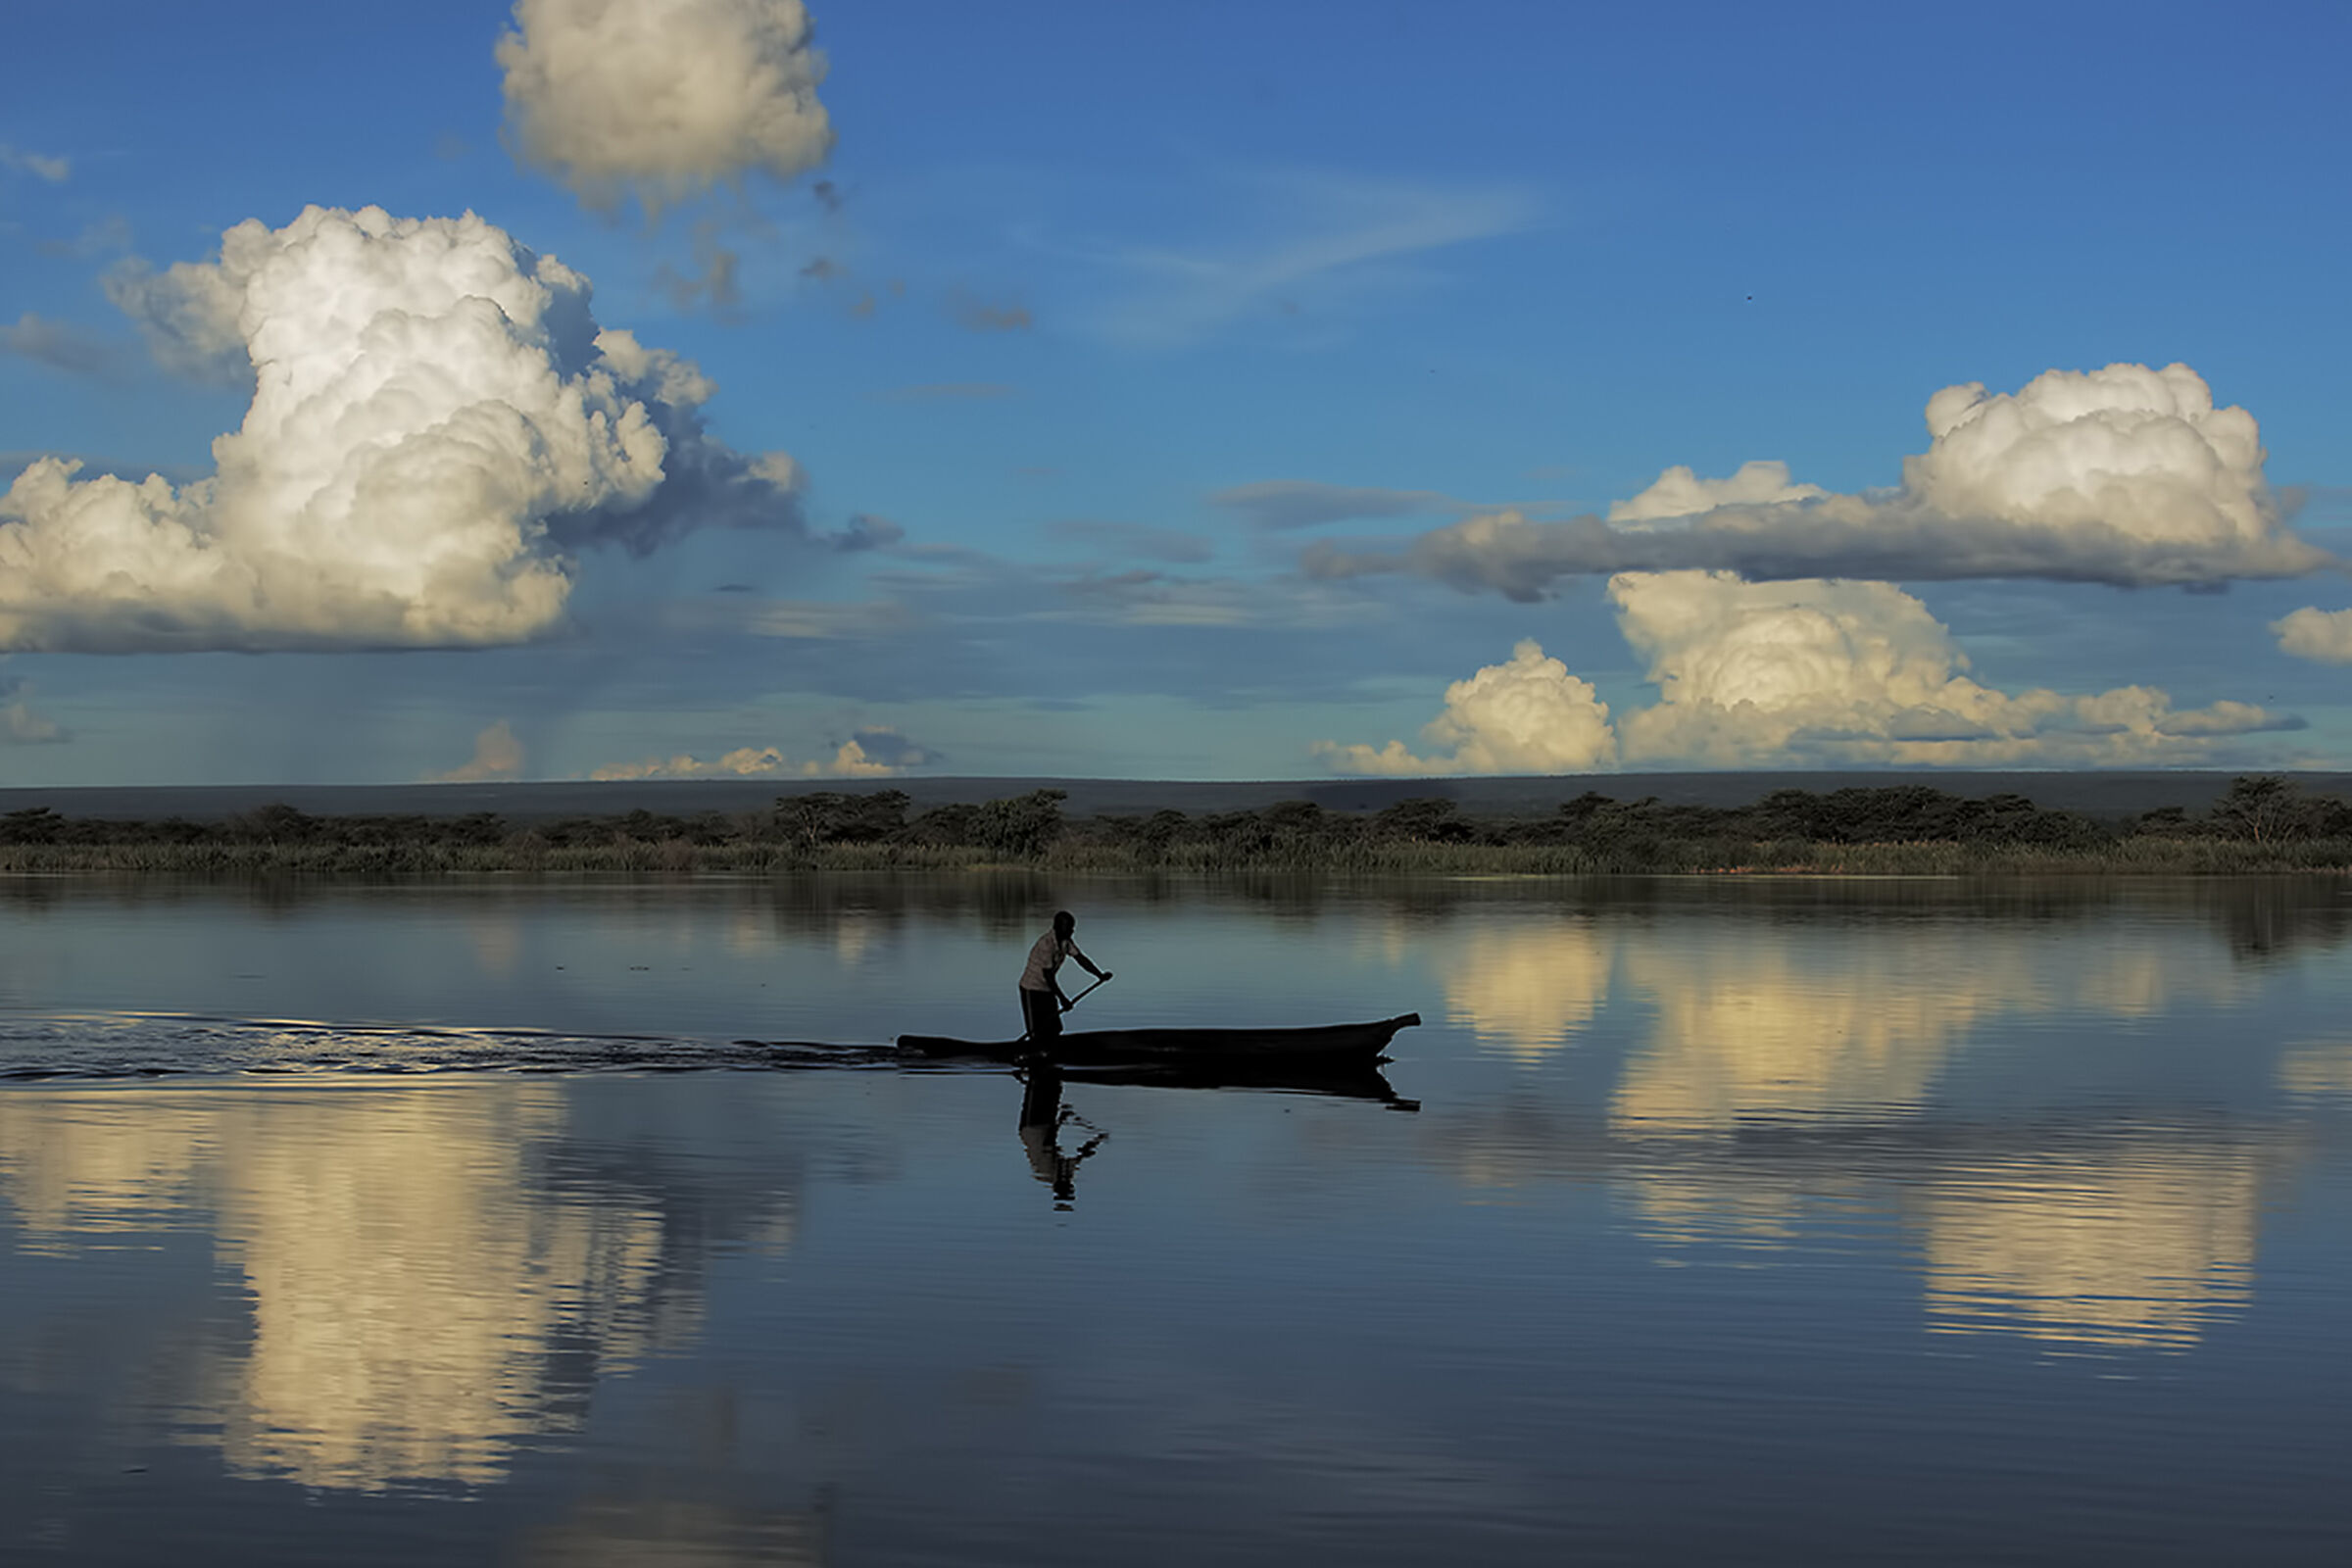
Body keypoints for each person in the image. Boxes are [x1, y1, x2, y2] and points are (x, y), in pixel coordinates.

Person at [1017, 909, 1109, 1047]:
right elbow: (1048, 976)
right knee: (1036, 1031)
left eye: (1072, 928)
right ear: (1058, 928)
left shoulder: (1066, 942)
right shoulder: (1046, 944)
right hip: (1032, 989)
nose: (1072, 931)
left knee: (1054, 1028)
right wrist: (1063, 999)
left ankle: (1051, 1053)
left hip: (1047, 989)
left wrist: (1099, 975)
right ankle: (1034, 1052)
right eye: (1069, 928)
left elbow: (1080, 959)